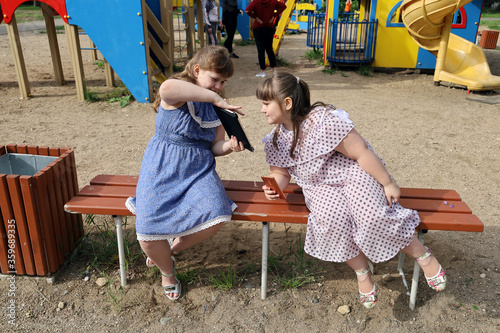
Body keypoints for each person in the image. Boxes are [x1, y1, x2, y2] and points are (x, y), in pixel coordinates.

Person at [257, 72, 447, 308]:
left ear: (287, 103)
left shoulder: (322, 122)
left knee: (372, 214)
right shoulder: (276, 140)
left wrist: (387, 182)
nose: (262, 110)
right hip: (318, 187)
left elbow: (360, 152)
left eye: (266, 104)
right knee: (330, 221)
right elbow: (281, 173)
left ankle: (422, 255)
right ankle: (362, 271)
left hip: (351, 174)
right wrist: (276, 187)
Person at [126, 45, 246, 300]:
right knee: (147, 233)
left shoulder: (217, 107)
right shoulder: (179, 92)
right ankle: (167, 272)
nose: (218, 86)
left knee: (219, 212)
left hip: (197, 171)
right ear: (196, 70)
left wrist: (231, 147)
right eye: (215, 79)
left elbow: (214, 146)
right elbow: (166, 88)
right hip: (162, 167)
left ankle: (172, 248)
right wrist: (213, 97)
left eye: (223, 82)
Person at [245, 0, 287, 77]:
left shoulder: (255, 2)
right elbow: (283, 6)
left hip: (258, 27)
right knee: (269, 49)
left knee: (260, 50)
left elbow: (247, 10)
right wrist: (274, 15)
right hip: (269, 27)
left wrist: (256, 17)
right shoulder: (273, 1)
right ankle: (274, 69)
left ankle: (262, 70)